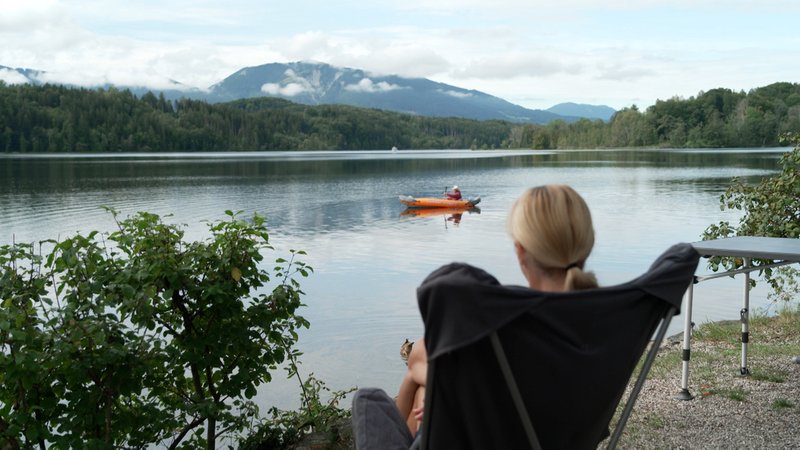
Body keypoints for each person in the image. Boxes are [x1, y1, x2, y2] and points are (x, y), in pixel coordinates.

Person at [352, 184, 597, 449]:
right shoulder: (609, 327)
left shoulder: (506, 324)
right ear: (587, 243)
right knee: (423, 383)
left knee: (368, 399)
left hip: (479, 436)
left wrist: (435, 393)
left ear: (521, 251)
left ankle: (416, 381)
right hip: (538, 433)